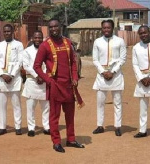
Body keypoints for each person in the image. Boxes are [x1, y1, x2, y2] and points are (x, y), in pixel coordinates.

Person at [34, 18, 84, 153]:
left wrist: (74, 77)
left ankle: (71, 139)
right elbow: (36, 66)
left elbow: (73, 62)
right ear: (48, 29)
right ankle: (56, 142)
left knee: (70, 115)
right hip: (55, 85)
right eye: (51, 27)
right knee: (54, 116)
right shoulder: (45, 45)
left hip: (68, 85)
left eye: (56, 26)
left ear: (60, 27)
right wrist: (48, 80)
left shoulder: (67, 42)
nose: (54, 29)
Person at [92, 19, 126, 136]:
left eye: (108, 28)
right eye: (104, 28)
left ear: (113, 28)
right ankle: (100, 125)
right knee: (100, 102)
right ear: (102, 29)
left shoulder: (120, 41)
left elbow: (122, 59)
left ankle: (117, 126)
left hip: (115, 76)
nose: (106, 30)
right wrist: (103, 72)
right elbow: (95, 60)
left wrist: (113, 72)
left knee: (117, 102)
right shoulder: (97, 42)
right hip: (102, 76)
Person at [0, 24, 24, 136]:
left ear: (13, 32)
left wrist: (11, 75)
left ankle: (18, 127)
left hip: (14, 79)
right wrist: (2, 74)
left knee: (16, 104)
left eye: (8, 31)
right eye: (4, 31)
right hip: (1, 79)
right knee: (1, 105)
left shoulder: (19, 45)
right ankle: (2, 127)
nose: (6, 33)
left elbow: (20, 61)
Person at [22, 31, 50, 137]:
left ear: (42, 38)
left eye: (40, 37)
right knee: (30, 106)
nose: (38, 39)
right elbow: (26, 66)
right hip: (32, 81)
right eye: (36, 37)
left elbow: (49, 64)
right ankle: (31, 128)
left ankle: (46, 127)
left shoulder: (47, 50)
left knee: (46, 106)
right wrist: (37, 76)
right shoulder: (27, 51)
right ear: (32, 38)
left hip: (44, 81)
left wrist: (43, 76)